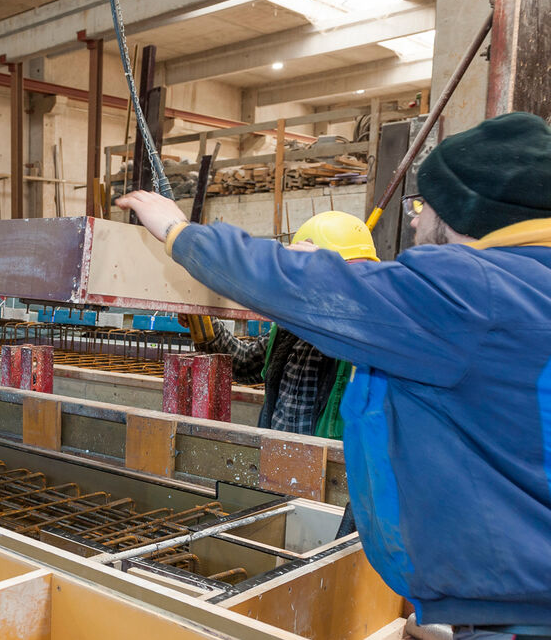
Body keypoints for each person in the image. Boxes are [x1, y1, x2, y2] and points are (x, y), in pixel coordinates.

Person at [115, 111, 551, 636]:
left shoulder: (471, 292)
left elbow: (297, 287)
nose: (413, 221)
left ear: (461, 211)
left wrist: (177, 230)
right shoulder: (525, 290)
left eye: (423, 205)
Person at [186, 211, 379, 438]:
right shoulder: (289, 328)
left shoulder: (368, 333)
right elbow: (247, 363)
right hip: (277, 458)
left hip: (330, 466)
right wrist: (206, 328)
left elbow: (365, 315)